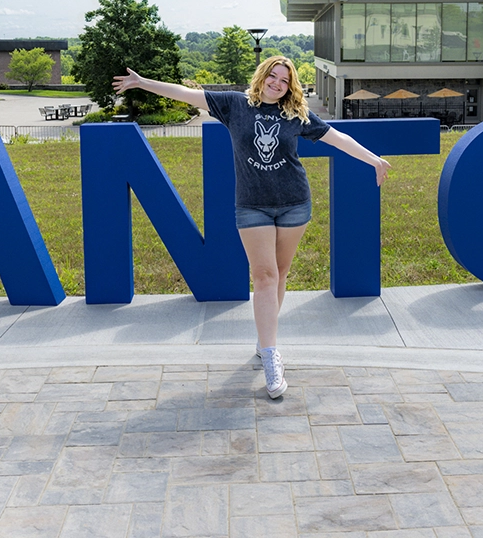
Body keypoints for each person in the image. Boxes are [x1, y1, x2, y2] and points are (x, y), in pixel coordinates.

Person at [113, 56, 390, 399]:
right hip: (251, 207)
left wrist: (374, 160)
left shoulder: (296, 115)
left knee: (281, 273)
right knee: (264, 276)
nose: (277, 83)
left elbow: (338, 139)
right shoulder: (234, 105)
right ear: (263, 76)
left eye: (284, 80)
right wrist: (143, 83)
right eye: (273, 76)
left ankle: (264, 340)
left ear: (290, 86)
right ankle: (272, 357)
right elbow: (187, 94)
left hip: (294, 204)